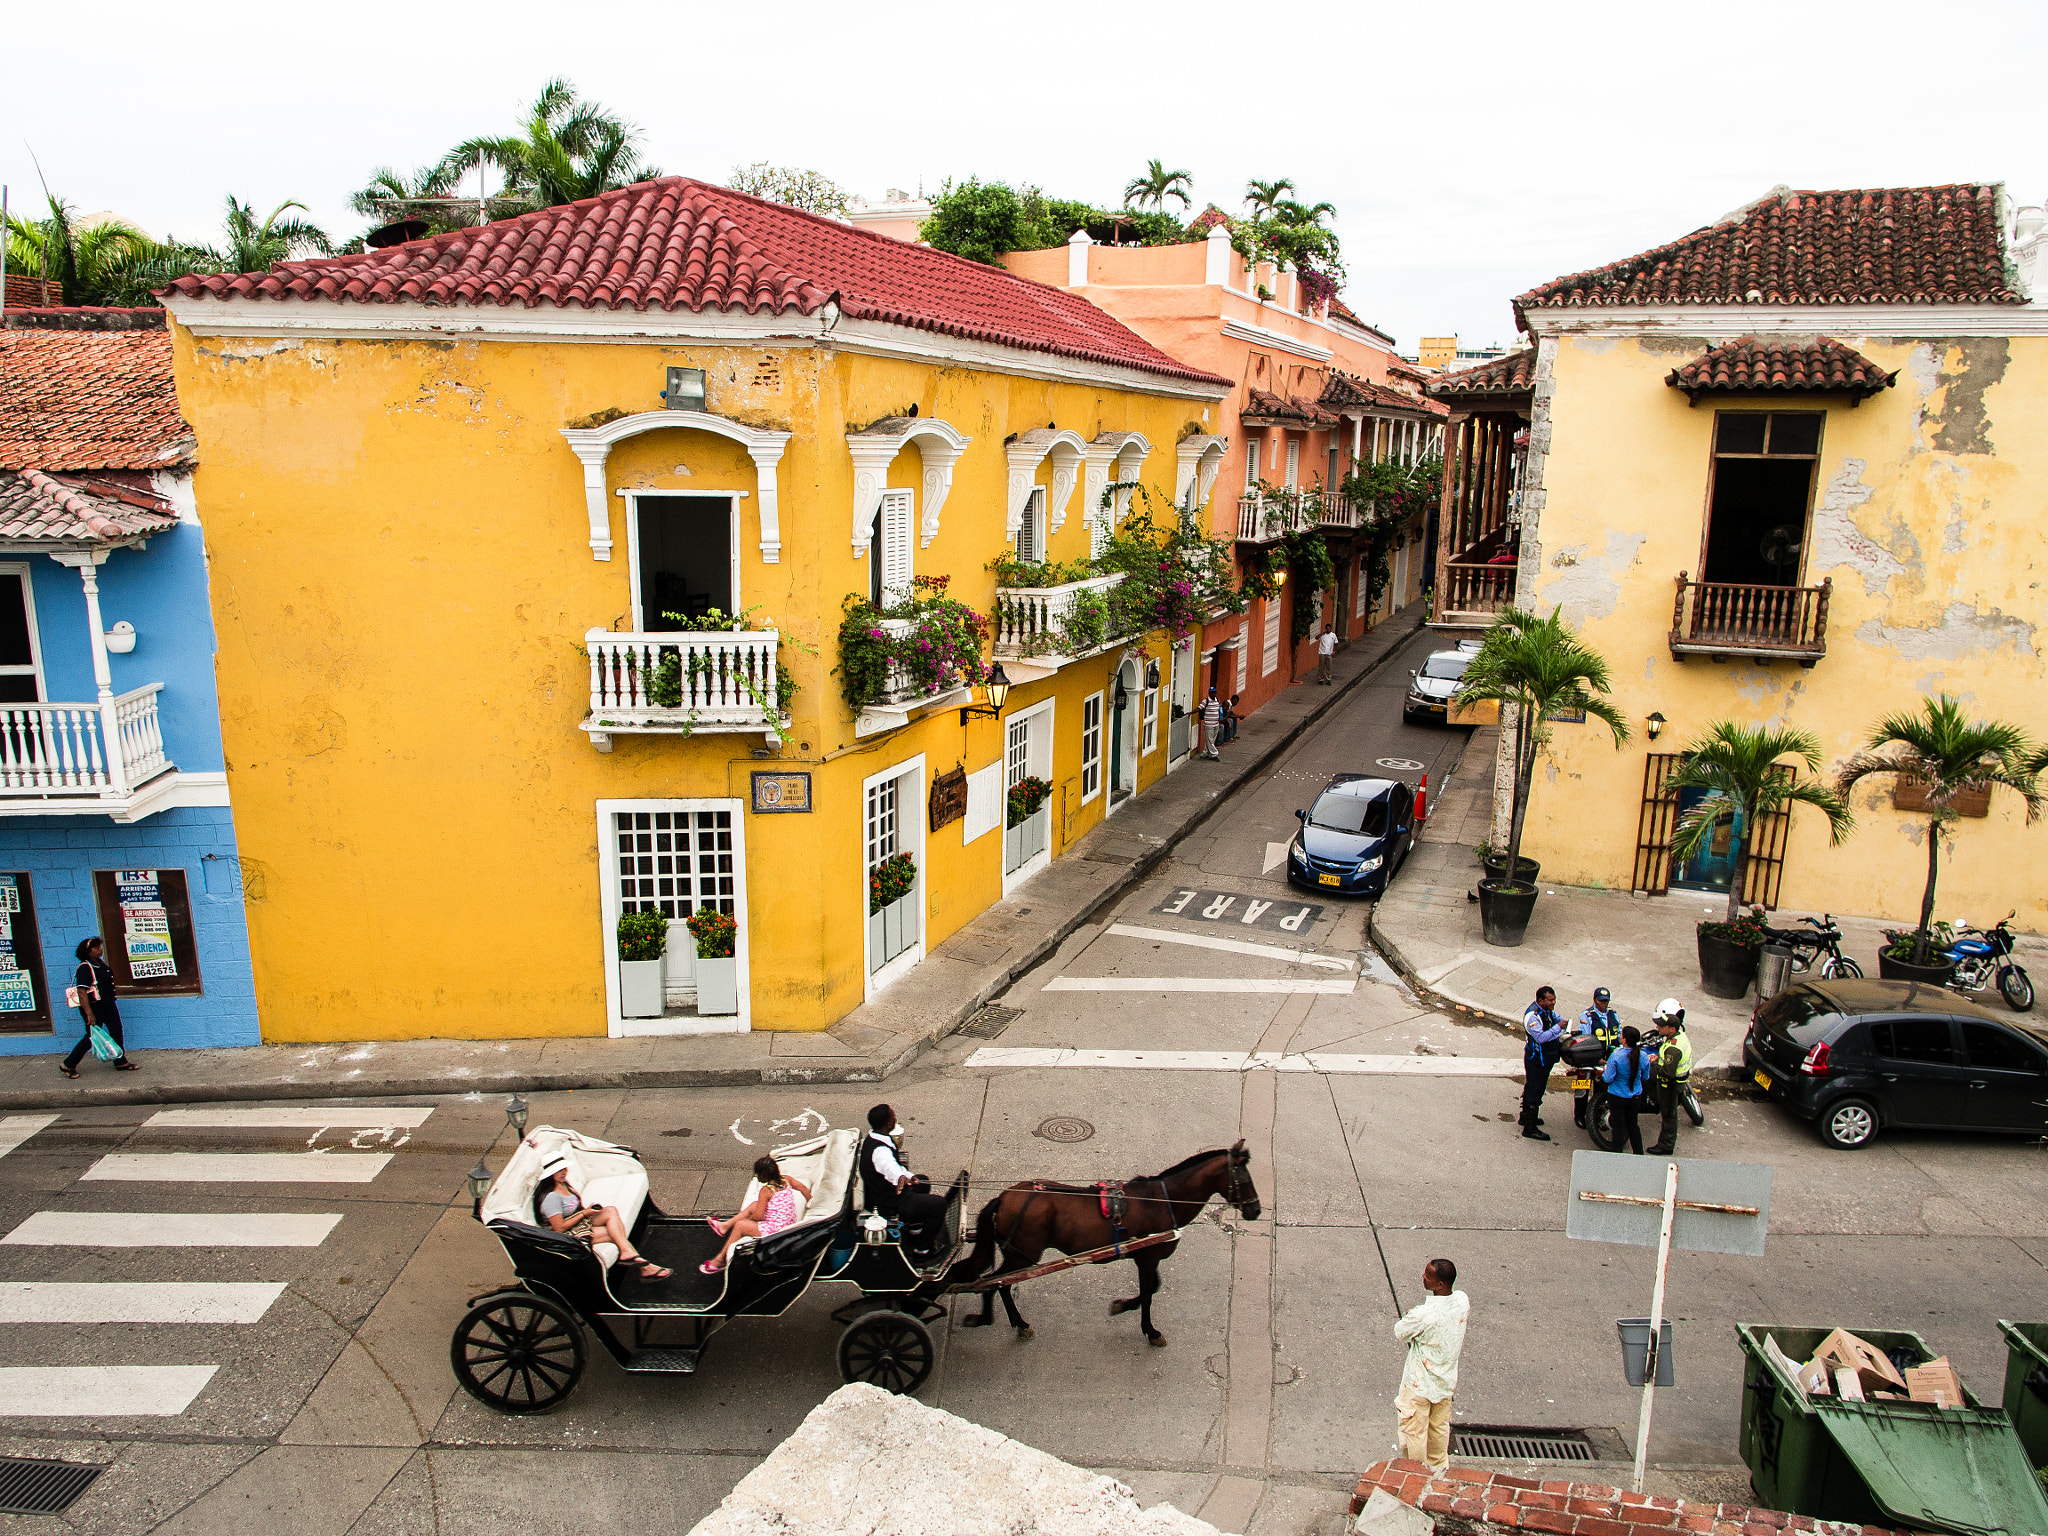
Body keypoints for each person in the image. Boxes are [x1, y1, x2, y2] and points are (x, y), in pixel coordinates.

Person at [1392, 1258, 1468, 1474]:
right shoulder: (1462, 1301)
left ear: (1440, 1285)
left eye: (1428, 1276)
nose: (1423, 1277)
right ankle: (1439, 1477)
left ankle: (1415, 1477)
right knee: (1439, 1434)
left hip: (1419, 1386)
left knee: (1413, 1436)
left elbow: (1400, 1331)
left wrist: (1413, 1314)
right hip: (1444, 1384)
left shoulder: (1424, 1315)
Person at [538, 1159, 672, 1279]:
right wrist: (584, 1214)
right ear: (550, 1174)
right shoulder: (551, 1198)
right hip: (569, 1234)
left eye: (564, 1169)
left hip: (579, 1222)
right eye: (558, 1171)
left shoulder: (564, 1185)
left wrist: (588, 1211)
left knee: (611, 1211)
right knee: (615, 1234)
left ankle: (629, 1254)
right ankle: (644, 1266)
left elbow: (575, 1208)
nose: (563, 1173)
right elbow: (559, 1228)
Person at [702, 1155, 812, 1275]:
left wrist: (749, 1218)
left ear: (763, 1176)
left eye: (757, 1174)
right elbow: (803, 1188)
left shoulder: (765, 1191)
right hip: (788, 1221)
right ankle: (725, 1226)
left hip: (776, 1229)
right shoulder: (786, 1179)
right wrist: (810, 1201)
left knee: (740, 1225)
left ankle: (721, 1260)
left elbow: (759, 1216)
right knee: (755, 1204)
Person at [60, 936, 139, 1079]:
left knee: (116, 1032)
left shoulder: (100, 964)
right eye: (96, 948)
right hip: (94, 1007)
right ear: (88, 952)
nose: (99, 950)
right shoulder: (85, 967)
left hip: (109, 1005)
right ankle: (69, 1064)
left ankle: (120, 1061)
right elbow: (82, 992)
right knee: (92, 1037)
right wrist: (89, 1014)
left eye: (100, 947)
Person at [863, 1104, 949, 1230]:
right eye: (893, 1116)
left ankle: (915, 1227)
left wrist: (911, 1177)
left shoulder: (874, 1137)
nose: (895, 1118)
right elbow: (891, 1170)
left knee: (923, 1181)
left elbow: (896, 1168)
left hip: (882, 1192)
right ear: (889, 1123)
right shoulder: (881, 1151)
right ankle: (923, 1248)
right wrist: (903, 1178)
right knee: (940, 1204)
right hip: (888, 1203)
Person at [1647, 999, 1693, 1156]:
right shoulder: (1677, 1036)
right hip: (1672, 1080)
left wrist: (1653, 1065)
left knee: (1668, 1115)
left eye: (1661, 1025)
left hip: (1670, 1084)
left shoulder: (1674, 1048)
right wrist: (1656, 1058)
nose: (1658, 1027)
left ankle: (1665, 1145)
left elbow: (1667, 1072)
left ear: (1671, 1029)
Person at [1571, 987, 1622, 1128]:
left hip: (1608, 1059)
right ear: (1594, 1000)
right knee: (1582, 1088)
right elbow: (1586, 1038)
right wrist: (1595, 1058)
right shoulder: (1587, 1016)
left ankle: (1597, 1115)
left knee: (1602, 1089)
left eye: (1606, 1001)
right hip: (1589, 1058)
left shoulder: (1613, 1014)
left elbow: (1619, 1035)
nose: (1603, 1004)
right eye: (1600, 1001)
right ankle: (1579, 1115)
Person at [1519, 986, 1564, 1141]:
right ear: (1540, 1000)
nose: (1553, 1003)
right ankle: (1529, 1128)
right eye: (1550, 1000)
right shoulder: (1533, 1016)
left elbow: (1557, 1019)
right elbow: (1541, 1038)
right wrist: (1558, 1028)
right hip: (1537, 1059)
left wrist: (1561, 1024)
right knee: (1535, 1089)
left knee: (1532, 1086)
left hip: (1546, 1058)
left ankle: (1525, 1116)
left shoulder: (1547, 1012)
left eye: (1554, 999)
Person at [1600, 1025, 1651, 1155]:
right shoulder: (1643, 1056)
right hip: (1635, 1097)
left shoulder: (1616, 1056)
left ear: (1624, 1039)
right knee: (1633, 1125)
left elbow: (1607, 1078)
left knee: (1617, 1127)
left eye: (1621, 1035)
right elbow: (1645, 1076)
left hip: (1616, 1096)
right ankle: (1639, 1154)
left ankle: (1617, 1155)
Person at [1199, 688, 1223, 760]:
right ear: (1209, 694)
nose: (1213, 694)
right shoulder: (1206, 701)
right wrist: (1191, 712)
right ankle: (1214, 754)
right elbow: (1199, 708)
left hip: (1216, 723)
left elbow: (1218, 710)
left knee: (1211, 740)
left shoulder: (1217, 700)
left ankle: (1205, 752)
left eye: (1214, 692)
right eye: (1211, 693)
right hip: (1208, 724)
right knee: (1210, 740)